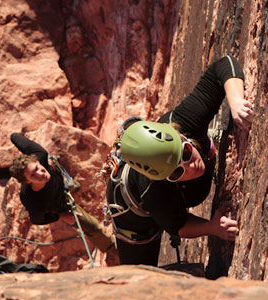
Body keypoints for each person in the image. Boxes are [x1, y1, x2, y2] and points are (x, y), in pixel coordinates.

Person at [104, 55, 252, 266]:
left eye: (185, 153)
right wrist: (212, 227)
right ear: (165, 178)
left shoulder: (182, 121)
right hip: (133, 218)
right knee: (138, 277)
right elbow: (179, 226)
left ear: (181, 137)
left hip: (164, 192)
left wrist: (236, 102)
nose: (191, 167)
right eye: (176, 173)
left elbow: (223, 66)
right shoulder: (155, 190)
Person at [0, 133, 115, 252]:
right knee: (94, 227)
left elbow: (15, 136)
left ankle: (66, 183)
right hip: (60, 205)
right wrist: (61, 216)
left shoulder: (40, 155)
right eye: (33, 175)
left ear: (37, 161)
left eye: (37, 168)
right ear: (27, 182)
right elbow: (37, 220)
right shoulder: (33, 200)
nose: (40, 173)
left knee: (54, 172)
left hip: (59, 185)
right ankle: (112, 248)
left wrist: (17, 139)